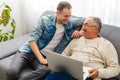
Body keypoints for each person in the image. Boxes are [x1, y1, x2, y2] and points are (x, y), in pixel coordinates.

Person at [6, 1, 85, 80]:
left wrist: (81, 31)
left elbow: (86, 19)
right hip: (28, 51)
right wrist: (41, 58)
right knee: (11, 72)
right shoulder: (45, 20)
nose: (68, 19)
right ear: (57, 13)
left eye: (69, 16)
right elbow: (32, 40)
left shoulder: (69, 22)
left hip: (45, 56)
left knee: (45, 70)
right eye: (65, 16)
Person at [45, 17, 120, 80]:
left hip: (88, 76)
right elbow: (65, 54)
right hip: (69, 71)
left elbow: (115, 68)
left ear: (95, 29)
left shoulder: (106, 45)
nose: (82, 28)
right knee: (50, 78)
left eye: (86, 25)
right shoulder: (77, 39)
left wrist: (99, 73)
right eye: (83, 25)